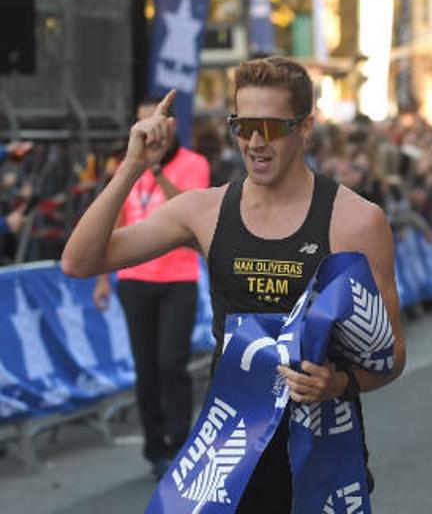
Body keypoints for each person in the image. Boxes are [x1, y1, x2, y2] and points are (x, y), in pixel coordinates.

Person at [63, 56, 406, 513]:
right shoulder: (204, 211)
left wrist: (338, 383)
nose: (256, 142)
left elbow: (393, 356)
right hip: (232, 453)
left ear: (304, 127)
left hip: (322, 455)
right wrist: (131, 166)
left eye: (271, 126)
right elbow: (79, 261)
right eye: (243, 126)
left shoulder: (355, 220)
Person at [91, 98, 210, 479]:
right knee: (146, 368)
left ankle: (181, 444)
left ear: (172, 126)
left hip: (178, 279)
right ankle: (155, 448)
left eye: (156, 122)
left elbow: (191, 213)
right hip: (134, 280)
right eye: (142, 124)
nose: (150, 131)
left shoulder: (195, 164)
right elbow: (112, 222)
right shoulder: (126, 168)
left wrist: (156, 169)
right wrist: (100, 279)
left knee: (170, 362)